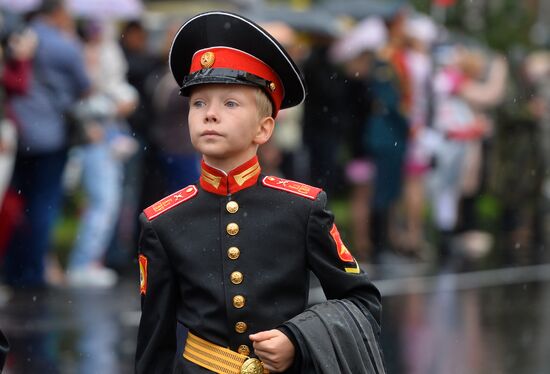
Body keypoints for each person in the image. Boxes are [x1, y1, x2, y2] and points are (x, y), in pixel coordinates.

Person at [135, 11, 384, 374]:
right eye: (198, 103)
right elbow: (154, 345)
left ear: (264, 129)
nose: (210, 115)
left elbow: (362, 301)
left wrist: (298, 338)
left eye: (230, 103)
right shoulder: (162, 222)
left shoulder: (302, 207)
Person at [4, 0, 91, 287]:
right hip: (50, 134)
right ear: (58, 13)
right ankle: (32, 272)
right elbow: (84, 84)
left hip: (18, 133)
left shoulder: (18, 35)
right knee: (43, 204)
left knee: (15, 202)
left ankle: (12, 267)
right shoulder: (63, 45)